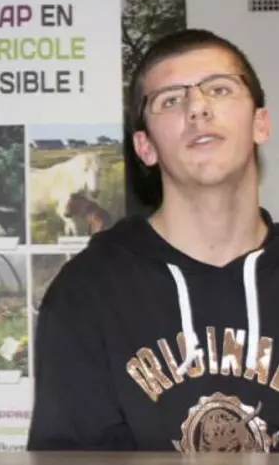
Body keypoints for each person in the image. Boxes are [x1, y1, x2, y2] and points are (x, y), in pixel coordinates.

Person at [27, 28, 279, 453]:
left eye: (219, 89)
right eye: (171, 100)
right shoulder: (86, 294)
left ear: (260, 122)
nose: (198, 107)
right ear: (144, 147)